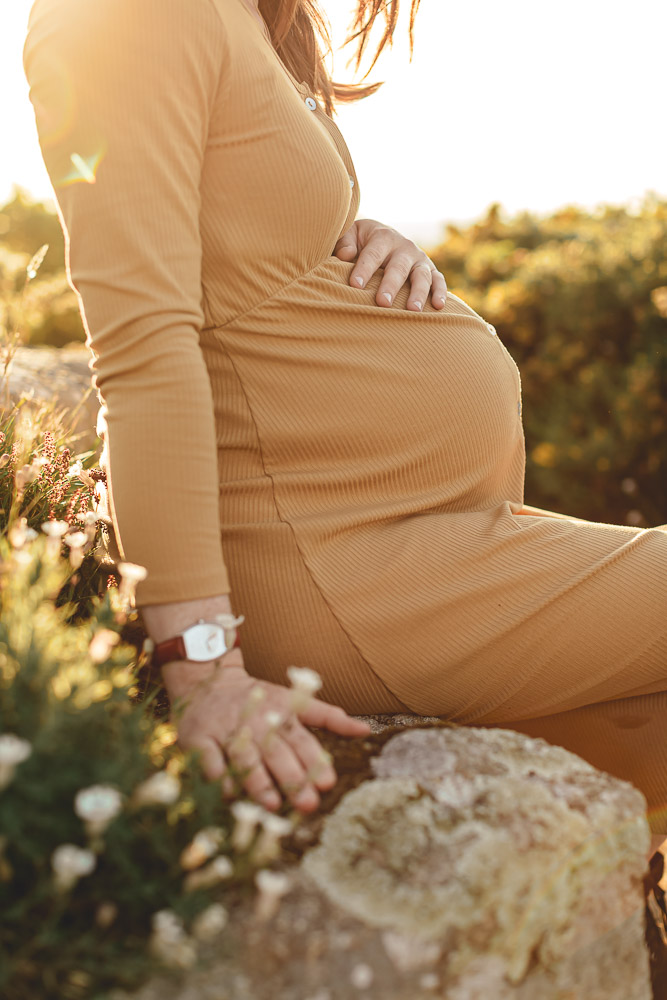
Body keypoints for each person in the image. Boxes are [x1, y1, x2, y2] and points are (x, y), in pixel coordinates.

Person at [24, 0, 667, 835]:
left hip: (413, 536)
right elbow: (144, 351)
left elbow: (239, 243)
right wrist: (203, 668)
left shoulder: (240, 14)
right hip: (342, 565)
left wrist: (351, 240)